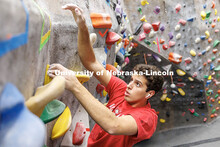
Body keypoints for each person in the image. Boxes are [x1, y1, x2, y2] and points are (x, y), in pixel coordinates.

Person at [48, 4, 164, 147]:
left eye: (138, 84)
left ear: (149, 94)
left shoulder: (148, 118)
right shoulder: (122, 89)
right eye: (132, 80)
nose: (130, 85)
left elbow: (113, 125)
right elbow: (91, 61)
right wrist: (82, 26)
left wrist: (75, 85)